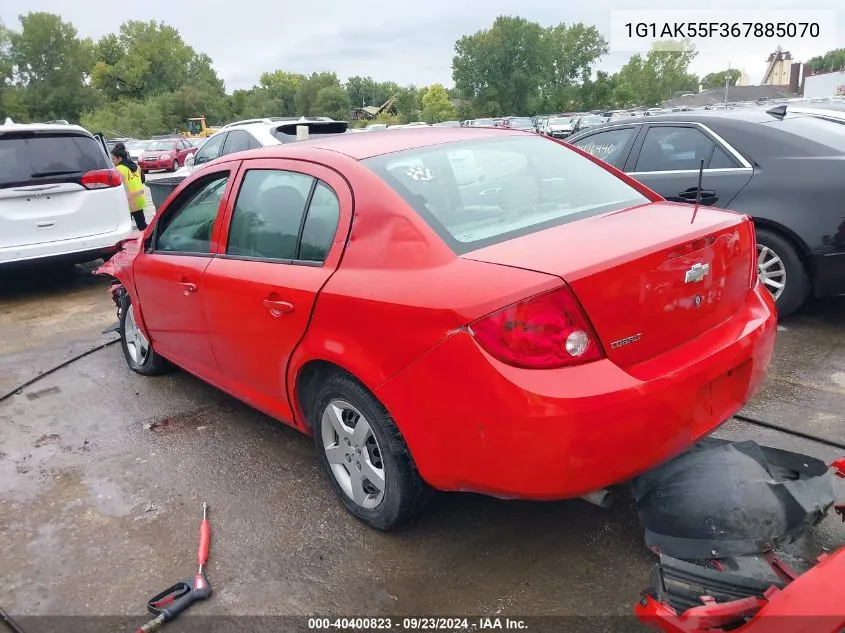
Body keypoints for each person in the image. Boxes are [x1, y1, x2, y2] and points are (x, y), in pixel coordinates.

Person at [110, 142, 148, 230]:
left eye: (113, 159)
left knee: (124, 227)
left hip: (127, 201)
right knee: (142, 224)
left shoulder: (118, 169)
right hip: (139, 199)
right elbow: (142, 180)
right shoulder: (136, 167)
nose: (113, 162)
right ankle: (148, 241)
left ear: (119, 158)